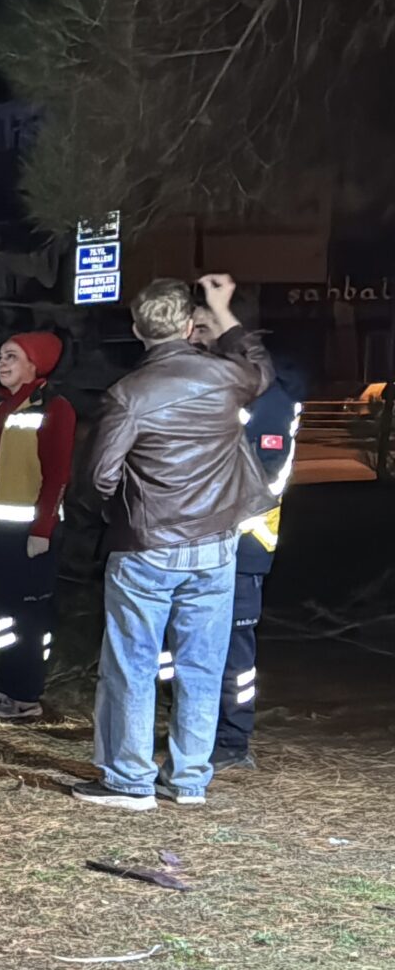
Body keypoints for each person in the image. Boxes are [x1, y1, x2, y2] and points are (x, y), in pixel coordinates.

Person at [77, 274, 274, 809]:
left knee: (132, 664)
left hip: (148, 545)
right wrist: (223, 309)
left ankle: (129, 778)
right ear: (189, 326)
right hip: (216, 542)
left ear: (137, 329)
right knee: (202, 665)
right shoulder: (226, 376)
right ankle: (188, 778)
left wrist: (117, 515)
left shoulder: (129, 394)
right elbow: (261, 370)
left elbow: (98, 477)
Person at [190, 299, 302, 771]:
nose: (193, 336)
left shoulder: (267, 399)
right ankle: (189, 728)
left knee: (234, 650)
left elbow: (265, 478)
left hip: (243, 547)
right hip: (200, 542)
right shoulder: (209, 388)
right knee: (187, 644)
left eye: (203, 327)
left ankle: (233, 740)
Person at [0, 331, 76, 720]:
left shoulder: (54, 408)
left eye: (12, 357)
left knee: (29, 619)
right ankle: (6, 688)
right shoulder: (0, 409)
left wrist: (42, 530)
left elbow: (57, 474)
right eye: (1, 356)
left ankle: (26, 696)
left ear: (35, 364)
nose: (2, 363)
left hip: (27, 537)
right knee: (3, 615)